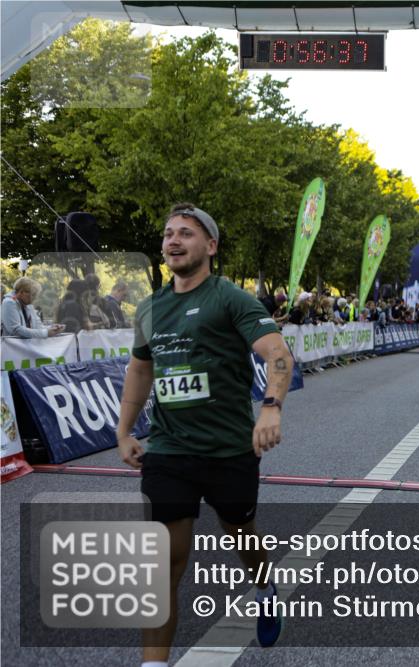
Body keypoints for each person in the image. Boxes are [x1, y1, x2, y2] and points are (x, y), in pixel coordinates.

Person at [115, 203, 293, 663]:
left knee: (241, 533)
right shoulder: (150, 308)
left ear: (210, 246)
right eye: (168, 233)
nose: (173, 240)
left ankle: (264, 585)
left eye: (186, 234)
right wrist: (124, 431)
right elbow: (140, 369)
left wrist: (271, 406)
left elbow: (276, 350)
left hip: (229, 449)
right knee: (162, 564)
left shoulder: (230, 298)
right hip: (169, 450)